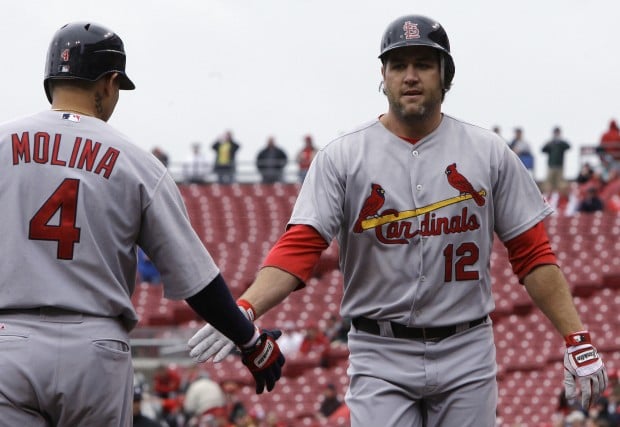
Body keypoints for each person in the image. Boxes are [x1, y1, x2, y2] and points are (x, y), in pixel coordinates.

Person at [187, 14, 607, 427]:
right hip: (379, 350)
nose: (410, 76)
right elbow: (301, 246)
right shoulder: (343, 156)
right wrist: (244, 307)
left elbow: (532, 253)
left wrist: (577, 337)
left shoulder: (489, 152)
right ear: (382, 76)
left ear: (446, 76)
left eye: (423, 64)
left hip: (467, 347)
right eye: (398, 65)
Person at [0, 21, 284, 427]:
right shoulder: (137, 162)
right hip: (95, 346)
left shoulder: (3, 142)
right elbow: (198, 280)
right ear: (109, 82)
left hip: (9, 340)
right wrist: (249, 341)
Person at [541, 126, 571, 194]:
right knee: (549, 182)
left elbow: (568, 146)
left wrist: (560, 141)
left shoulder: (561, 143)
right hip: (551, 166)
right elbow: (543, 150)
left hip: (559, 166)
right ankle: (548, 196)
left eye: (557, 132)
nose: (556, 134)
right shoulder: (550, 143)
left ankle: (558, 196)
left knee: (559, 183)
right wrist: (549, 143)